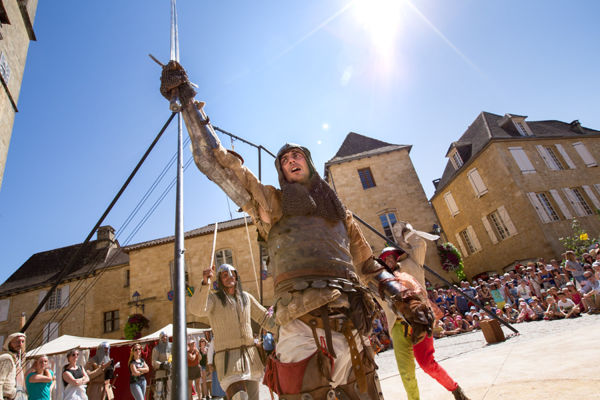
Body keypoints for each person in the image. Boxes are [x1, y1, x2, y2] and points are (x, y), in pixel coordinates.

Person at [163, 63, 434, 400]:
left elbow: (367, 265)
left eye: (297, 155)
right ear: (281, 171)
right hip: (298, 321)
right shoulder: (272, 204)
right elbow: (217, 166)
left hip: (350, 316)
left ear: (307, 162)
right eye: (285, 159)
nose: (291, 159)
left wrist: (403, 296)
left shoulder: (339, 214)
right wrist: (189, 104)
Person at [378, 223, 470, 400]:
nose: (389, 260)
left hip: (420, 321)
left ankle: (455, 390)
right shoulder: (379, 282)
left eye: (392, 257)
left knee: (427, 364)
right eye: (385, 258)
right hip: (397, 327)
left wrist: (406, 234)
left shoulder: (412, 264)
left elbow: (420, 244)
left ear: (396, 258)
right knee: (406, 373)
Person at [189, 264, 274, 400]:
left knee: (253, 398)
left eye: (232, 274)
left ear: (236, 276)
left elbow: (264, 318)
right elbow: (196, 309)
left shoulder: (246, 297)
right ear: (220, 280)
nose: (229, 277)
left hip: (251, 359)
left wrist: (283, 329)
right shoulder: (213, 299)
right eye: (225, 275)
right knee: (239, 397)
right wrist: (205, 283)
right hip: (229, 362)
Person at [0, 332, 27, 400]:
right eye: (17, 341)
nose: (20, 344)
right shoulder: (7, 358)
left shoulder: (15, 359)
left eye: (22, 341)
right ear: (9, 343)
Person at [151, 332, 171, 400]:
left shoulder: (170, 346)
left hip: (169, 372)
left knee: (169, 392)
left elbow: (171, 357)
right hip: (160, 372)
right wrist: (162, 364)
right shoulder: (156, 349)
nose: (164, 338)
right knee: (158, 392)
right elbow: (154, 361)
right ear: (160, 338)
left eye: (165, 336)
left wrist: (169, 362)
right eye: (163, 337)